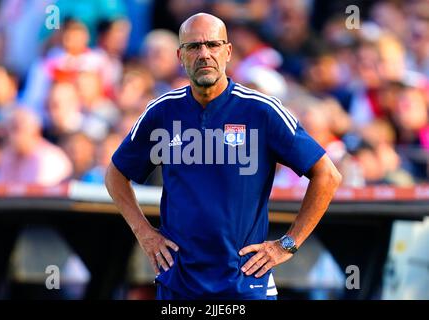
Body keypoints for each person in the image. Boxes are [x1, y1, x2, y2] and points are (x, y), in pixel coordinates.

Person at [105, 13, 342, 300]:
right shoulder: (162, 112)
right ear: (180, 56)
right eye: (193, 47)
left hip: (245, 284)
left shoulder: (261, 111)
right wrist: (144, 232)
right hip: (179, 284)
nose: (204, 54)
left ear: (228, 51)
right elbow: (115, 174)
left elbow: (327, 175)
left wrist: (287, 244)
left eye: (212, 45)